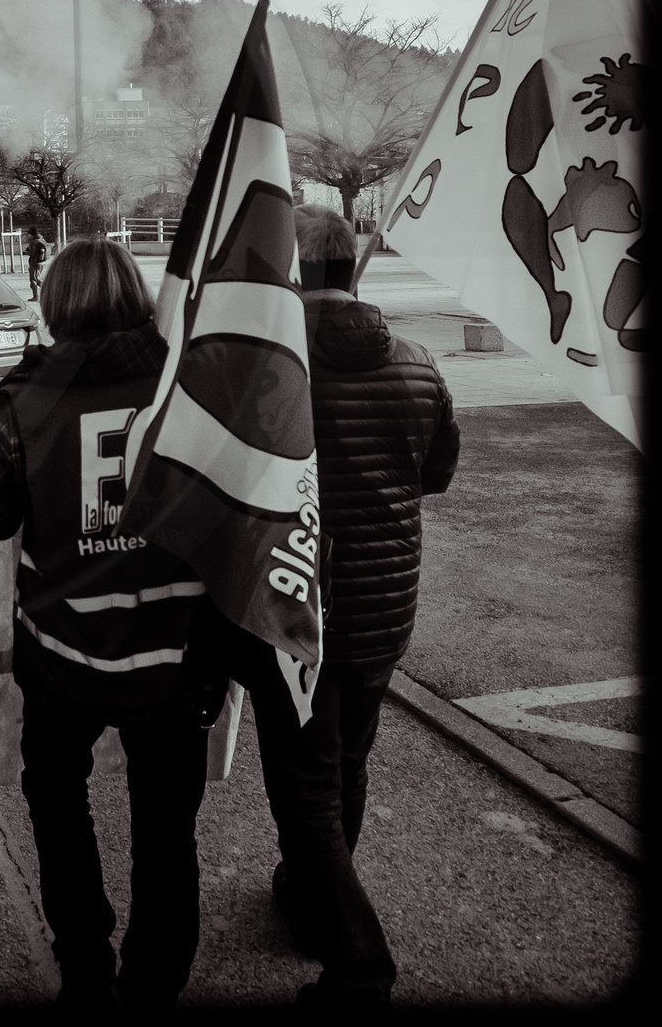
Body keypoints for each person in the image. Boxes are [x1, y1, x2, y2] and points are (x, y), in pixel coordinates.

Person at [0, 238, 225, 1015]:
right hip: (172, 652)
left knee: (61, 815)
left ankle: (84, 967)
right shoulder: (186, 384)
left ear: (55, 305)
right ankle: (153, 986)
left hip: (64, 651)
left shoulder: (28, 394)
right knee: (167, 832)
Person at [234, 206, 459, 1011]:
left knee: (305, 789)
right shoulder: (420, 363)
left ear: (291, 271)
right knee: (347, 764)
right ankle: (312, 901)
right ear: (352, 266)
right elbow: (436, 475)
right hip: (384, 608)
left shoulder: (272, 373)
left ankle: (357, 959)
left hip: (299, 608)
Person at [25, 228, 47, 299]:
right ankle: (46, 288)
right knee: (36, 279)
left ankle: (36, 296)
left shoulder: (33, 242)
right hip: (40, 262)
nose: (27, 235)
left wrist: (27, 252)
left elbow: (32, 253)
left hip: (35, 262)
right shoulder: (40, 240)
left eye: (28, 234)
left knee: (33, 280)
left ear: (31, 234)